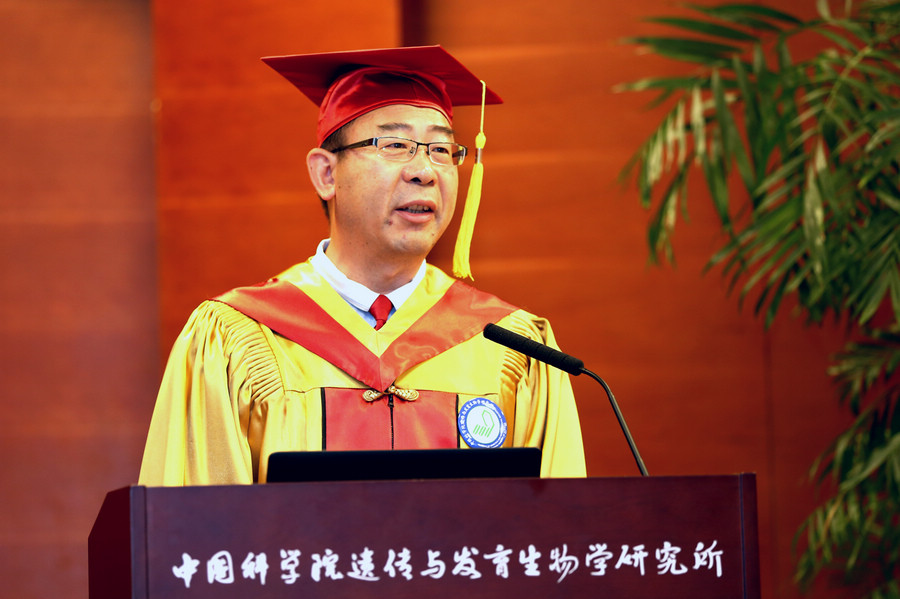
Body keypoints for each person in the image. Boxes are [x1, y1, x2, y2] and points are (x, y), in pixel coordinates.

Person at [138, 46, 586, 486]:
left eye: (441, 150)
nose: (425, 171)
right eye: (395, 145)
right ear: (326, 174)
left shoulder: (513, 349)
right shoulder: (235, 340)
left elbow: (556, 525)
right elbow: (196, 525)